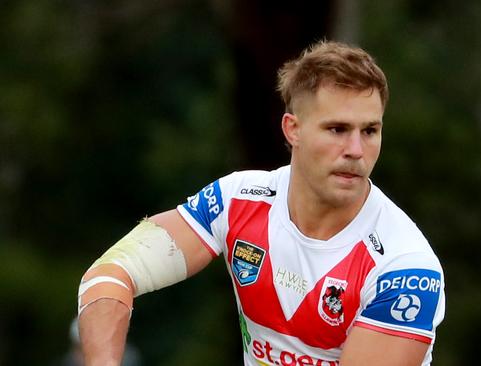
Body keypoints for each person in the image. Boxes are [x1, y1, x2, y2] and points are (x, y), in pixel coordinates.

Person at [77, 40, 445, 366]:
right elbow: (110, 273)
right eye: (337, 129)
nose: (355, 151)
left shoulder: (406, 269)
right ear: (293, 129)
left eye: (370, 131)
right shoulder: (238, 200)